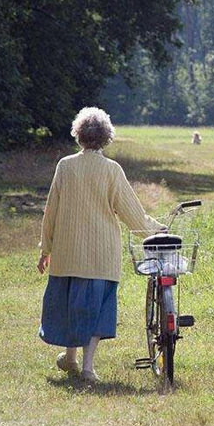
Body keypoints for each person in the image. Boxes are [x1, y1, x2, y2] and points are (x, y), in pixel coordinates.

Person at [37, 107, 165, 383]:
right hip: (101, 256)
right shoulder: (111, 170)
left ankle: (70, 358)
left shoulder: (65, 166)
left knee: (70, 305)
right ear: (106, 138)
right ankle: (87, 367)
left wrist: (45, 249)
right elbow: (132, 214)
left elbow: (52, 211)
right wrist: (155, 231)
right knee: (96, 310)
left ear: (79, 136)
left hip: (67, 253)